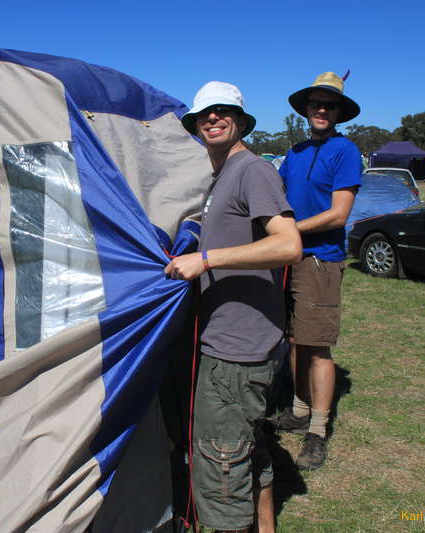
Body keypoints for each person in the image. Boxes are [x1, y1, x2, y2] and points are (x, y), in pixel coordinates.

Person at [165, 81, 301, 533]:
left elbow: (288, 245)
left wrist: (205, 259)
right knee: (247, 449)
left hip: (236, 349)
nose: (213, 118)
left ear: (241, 121)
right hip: (245, 338)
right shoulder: (222, 175)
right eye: (205, 114)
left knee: (219, 466)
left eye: (223, 111)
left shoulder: (252, 170)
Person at [274, 72, 363, 470]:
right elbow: (276, 198)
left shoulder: (346, 151)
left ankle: (318, 430)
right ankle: (297, 410)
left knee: (318, 346)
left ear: (339, 112)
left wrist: (290, 230)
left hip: (319, 259)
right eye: (315, 103)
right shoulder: (293, 152)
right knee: (295, 339)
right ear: (306, 109)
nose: (321, 109)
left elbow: (339, 213)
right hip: (286, 259)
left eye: (329, 104)